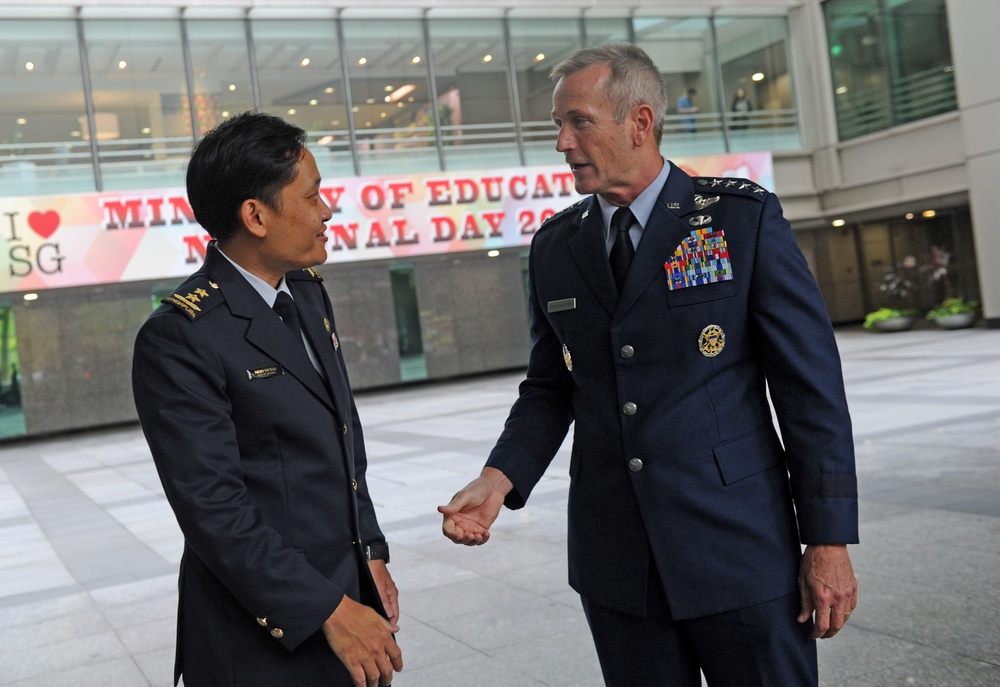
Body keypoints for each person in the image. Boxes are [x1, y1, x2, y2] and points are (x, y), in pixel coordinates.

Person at [439, 42, 857, 687]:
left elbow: (810, 389)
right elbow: (551, 388)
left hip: (738, 548)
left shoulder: (738, 220)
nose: (562, 143)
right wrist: (500, 478)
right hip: (618, 564)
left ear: (639, 122)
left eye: (579, 121)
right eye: (558, 124)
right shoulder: (556, 246)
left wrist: (827, 540)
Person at [132, 111, 403, 687]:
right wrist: (326, 608)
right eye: (312, 196)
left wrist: (370, 550)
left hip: (347, 602)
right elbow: (214, 511)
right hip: (263, 635)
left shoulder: (304, 293)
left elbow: (340, 440)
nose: (327, 211)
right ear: (255, 215)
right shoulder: (182, 335)